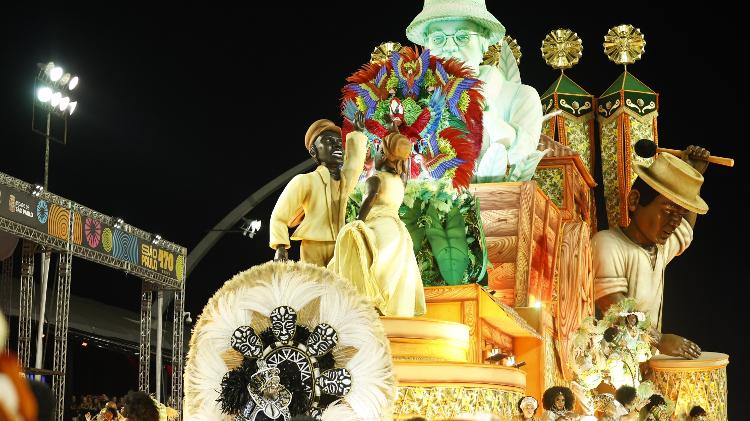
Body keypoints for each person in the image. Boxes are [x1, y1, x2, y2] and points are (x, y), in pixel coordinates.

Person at [406, 0, 544, 181]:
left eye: (462, 36)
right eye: (438, 38)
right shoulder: (408, 104)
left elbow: (523, 159)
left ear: (484, 41)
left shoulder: (520, 97)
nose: (450, 46)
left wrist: (489, 118)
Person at [593, 147, 710, 359]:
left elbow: (687, 229)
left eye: (680, 214)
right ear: (635, 201)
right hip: (609, 363)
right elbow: (612, 305)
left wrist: (693, 175)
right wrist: (659, 339)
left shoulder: (660, 249)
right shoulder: (607, 244)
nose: (674, 223)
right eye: (667, 212)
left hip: (646, 363)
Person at [328, 132, 426, 317]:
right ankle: (394, 313)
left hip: (379, 227)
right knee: (395, 272)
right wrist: (394, 127)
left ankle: (370, 307)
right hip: (398, 232)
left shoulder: (375, 179)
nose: (376, 154)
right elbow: (402, 160)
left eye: (380, 150)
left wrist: (358, 221)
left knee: (356, 258)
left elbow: (370, 199)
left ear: (385, 154)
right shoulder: (401, 180)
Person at [270, 112, 368, 266]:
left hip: (339, 246)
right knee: (317, 286)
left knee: (341, 287)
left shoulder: (343, 181)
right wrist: (280, 246)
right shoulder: (305, 181)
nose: (337, 145)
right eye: (328, 141)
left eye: (338, 141)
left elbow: (354, 164)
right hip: (313, 246)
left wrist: (358, 133)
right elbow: (279, 215)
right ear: (314, 152)